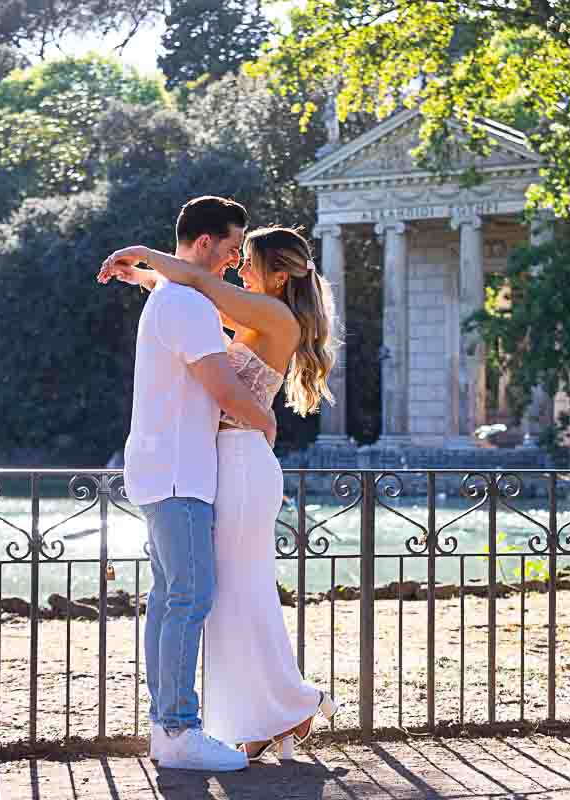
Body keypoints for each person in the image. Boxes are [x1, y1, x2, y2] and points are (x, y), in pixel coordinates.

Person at [99, 224, 339, 761]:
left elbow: (196, 282)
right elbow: (187, 298)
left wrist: (142, 252)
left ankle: (292, 703)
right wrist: (142, 276)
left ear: (279, 276)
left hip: (244, 462)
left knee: (239, 592)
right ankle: (265, 718)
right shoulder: (258, 314)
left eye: (248, 261)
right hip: (225, 463)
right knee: (230, 597)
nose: (240, 268)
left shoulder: (275, 317)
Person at [113, 196, 277, 772]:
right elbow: (225, 390)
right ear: (204, 243)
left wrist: (142, 273)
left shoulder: (172, 298)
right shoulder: (186, 303)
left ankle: (167, 726)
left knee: (169, 600)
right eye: (233, 249)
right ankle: (180, 730)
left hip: (162, 468)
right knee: (188, 599)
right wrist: (267, 420)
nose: (235, 262)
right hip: (180, 473)